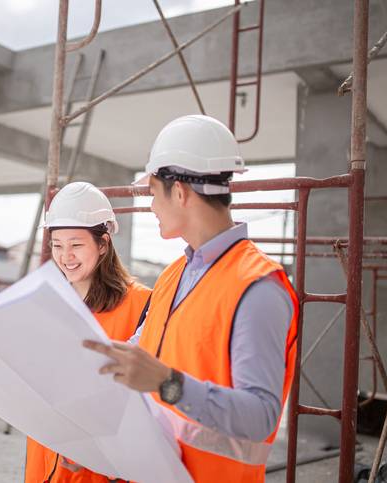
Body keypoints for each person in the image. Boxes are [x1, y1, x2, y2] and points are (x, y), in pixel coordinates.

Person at [83, 115, 299, 482]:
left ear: (179, 192)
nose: (151, 206)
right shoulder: (171, 277)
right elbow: (138, 358)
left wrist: (168, 382)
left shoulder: (258, 287)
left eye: (153, 193)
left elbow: (260, 415)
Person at [25, 181, 152, 483]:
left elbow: (145, 400)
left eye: (76, 245)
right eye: (57, 245)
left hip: (101, 466)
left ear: (103, 244)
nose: (65, 256)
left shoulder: (143, 304)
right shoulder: (48, 302)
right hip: (47, 458)